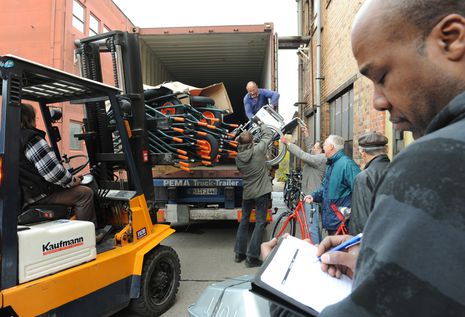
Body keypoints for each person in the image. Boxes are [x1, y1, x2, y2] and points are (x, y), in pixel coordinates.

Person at [315, 0, 465, 315]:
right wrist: (382, 263)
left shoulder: (434, 161)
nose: (378, 102)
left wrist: (277, 290)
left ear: (452, 39)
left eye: (382, 76)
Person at [19, 103, 97, 225]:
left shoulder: (8, 139)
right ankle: (88, 235)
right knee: (85, 193)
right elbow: (53, 174)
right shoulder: (31, 139)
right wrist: (72, 180)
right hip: (38, 195)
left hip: (23, 195)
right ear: (29, 118)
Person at [234, 125, 274, 268]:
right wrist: (262, 125)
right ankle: (252, 257)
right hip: (261, 192)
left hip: (247, 193)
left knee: (244, 221)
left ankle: (239, 253)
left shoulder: (237, 158)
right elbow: (268, 135)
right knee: (260, 223)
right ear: (252, 143)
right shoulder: (258, 150)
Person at [304, 135, 360, 236]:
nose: (323, 147)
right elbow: (325, 187)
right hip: (333, 221)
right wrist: (314, 196)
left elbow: (360, 191)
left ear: (331, 147)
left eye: (325, 145)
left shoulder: (347, 164)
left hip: (341, 223)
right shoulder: (332, 164)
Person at [280, 126, 326, 243]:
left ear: (321, 151)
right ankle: (319, 247)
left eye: (316, 148)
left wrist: (288, 143)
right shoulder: (317, 156)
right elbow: (310, 149)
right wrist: (306, 134)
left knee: (312, 228)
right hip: (310, 195)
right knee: (313, 227)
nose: (312, 150)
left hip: (312, 198)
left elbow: (303, 155)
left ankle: (314, 254)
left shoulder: (320, 159)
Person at [348, 131, 390, 235]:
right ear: (387, 150)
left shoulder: (364, 178)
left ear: (363, 153)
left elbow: (361, 220)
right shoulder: (398, 170)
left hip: (374, 241)